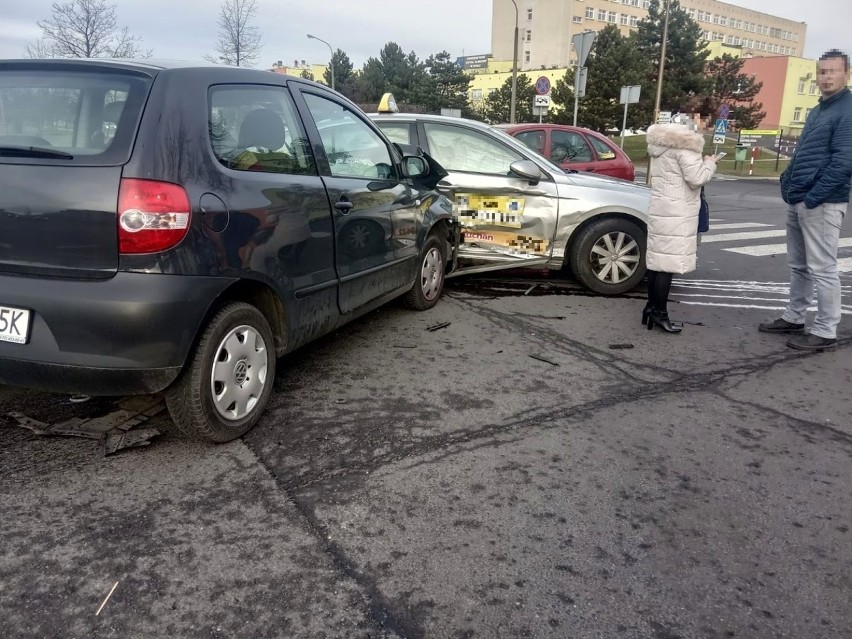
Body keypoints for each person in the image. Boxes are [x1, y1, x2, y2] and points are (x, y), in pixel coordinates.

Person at [759, 49, 852, 351]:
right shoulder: (819, 109)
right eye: (822, 71)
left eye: (832, 71)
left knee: (823, 268)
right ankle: (795, 316)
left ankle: (825, 330)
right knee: (799, 265)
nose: (826, 77)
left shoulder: (847, 109)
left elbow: (844, 162)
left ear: (846, 74)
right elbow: (803, 153)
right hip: (799, 198)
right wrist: (788, 182)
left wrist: (814, 197)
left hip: (822, 202)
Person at [643, 116, 719, 333]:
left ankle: (650, 308)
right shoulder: (686, 145)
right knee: (668, 266)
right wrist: (710, 163)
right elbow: (696, 178)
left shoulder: (660, 144)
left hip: (661, 207)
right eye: (705, 121)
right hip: (678, 212)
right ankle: (660, 314)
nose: (705, 126)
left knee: (657, 263)